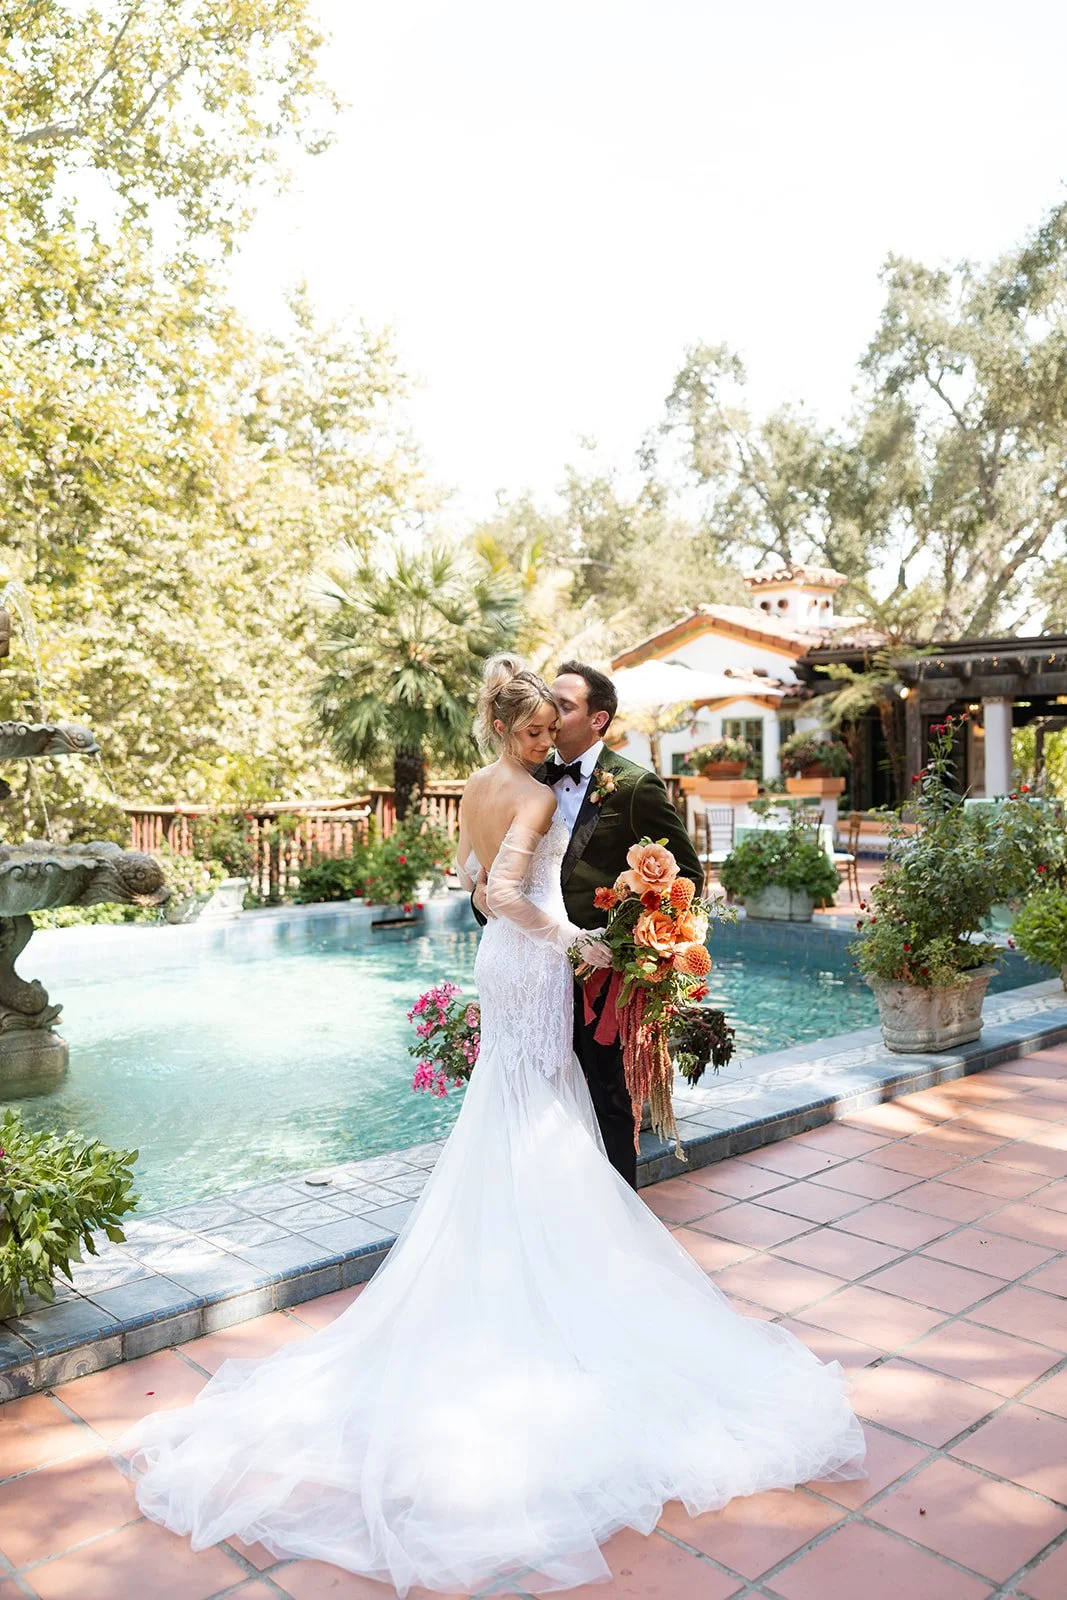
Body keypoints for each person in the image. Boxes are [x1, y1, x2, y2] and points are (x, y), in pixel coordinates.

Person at [116, 654, 864, 1597]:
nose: (552, 734)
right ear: (521, 728)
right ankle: (571, 1281)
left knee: (528, 1111)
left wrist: (632, 937)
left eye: (563, 721)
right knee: (544, 1110)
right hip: (541, 959)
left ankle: (542, 1259)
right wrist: (573, 938)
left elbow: (475, 879)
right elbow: (505, 892)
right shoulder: (540, 795)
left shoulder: (490, 783)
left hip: (514, 965)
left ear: (587, 720)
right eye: (543, 723)